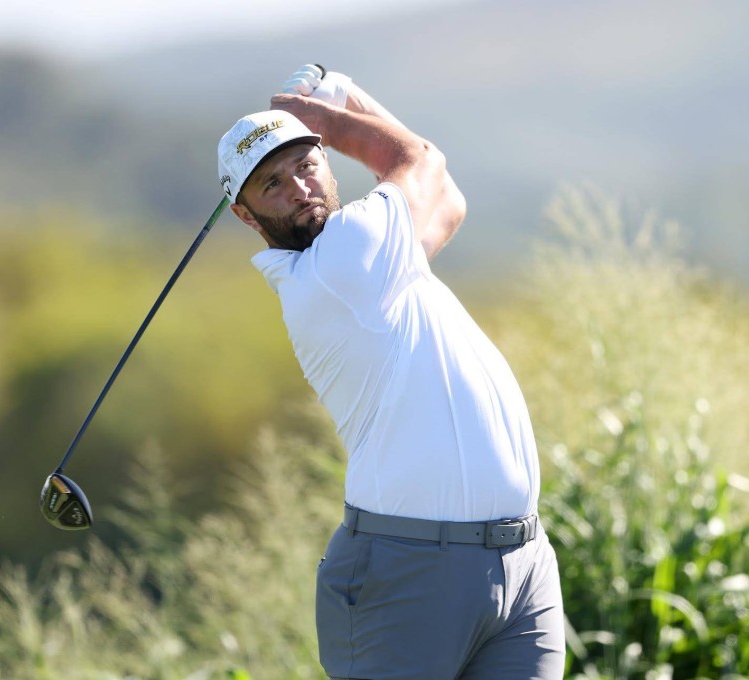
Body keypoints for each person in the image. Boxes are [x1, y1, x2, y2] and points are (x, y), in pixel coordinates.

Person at [217, 65, 565, 680]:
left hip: (521, 562)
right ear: (247, 216)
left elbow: (446, 198)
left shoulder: (375, 258)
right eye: (273, 185)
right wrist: (335, 111)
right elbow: (419, 158)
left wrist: (350, 99)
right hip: (409, 572)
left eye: (305, 164)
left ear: (325, 164)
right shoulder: (339, 265)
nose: (299, 188)